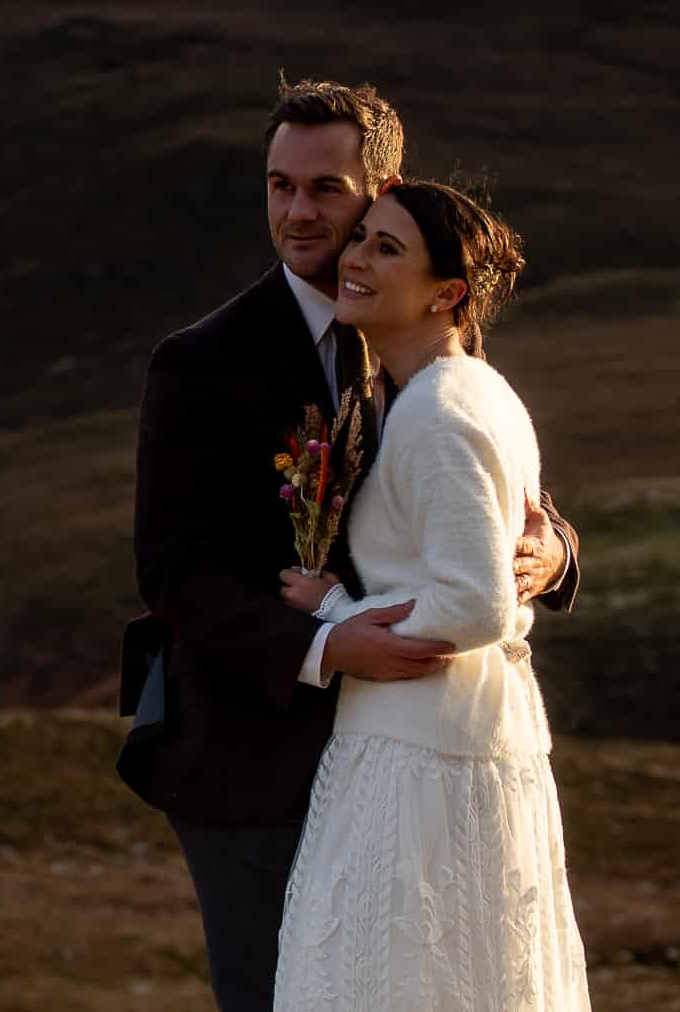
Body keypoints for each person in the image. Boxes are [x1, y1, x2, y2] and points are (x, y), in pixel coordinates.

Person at [123, 80, 579, 1012]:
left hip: (403, 758)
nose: (297, 211)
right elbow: (175, 571)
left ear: (383, 186)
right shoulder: (200, 362)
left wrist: (555, 552)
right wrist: (327, 641)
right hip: (249, 751)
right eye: (278, 185)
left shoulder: (417, 335)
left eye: (326, 188)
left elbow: (479, 484)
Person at [270, 180, 589, 1010]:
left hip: (420, 760)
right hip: (453, 741)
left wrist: (336, 613)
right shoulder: (453, 389)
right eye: (362, 237)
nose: (356, 258)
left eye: (387, 248)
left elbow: (478, 600)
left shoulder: (441, 410)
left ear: (447, 294)